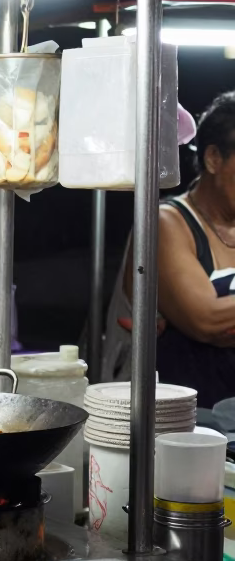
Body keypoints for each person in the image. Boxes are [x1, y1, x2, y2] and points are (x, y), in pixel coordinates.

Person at [108, 92, 235, 408]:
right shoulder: (166, 223)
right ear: (214, 158)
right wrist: (220, 321)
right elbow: (206, 320)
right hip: (175, 417)